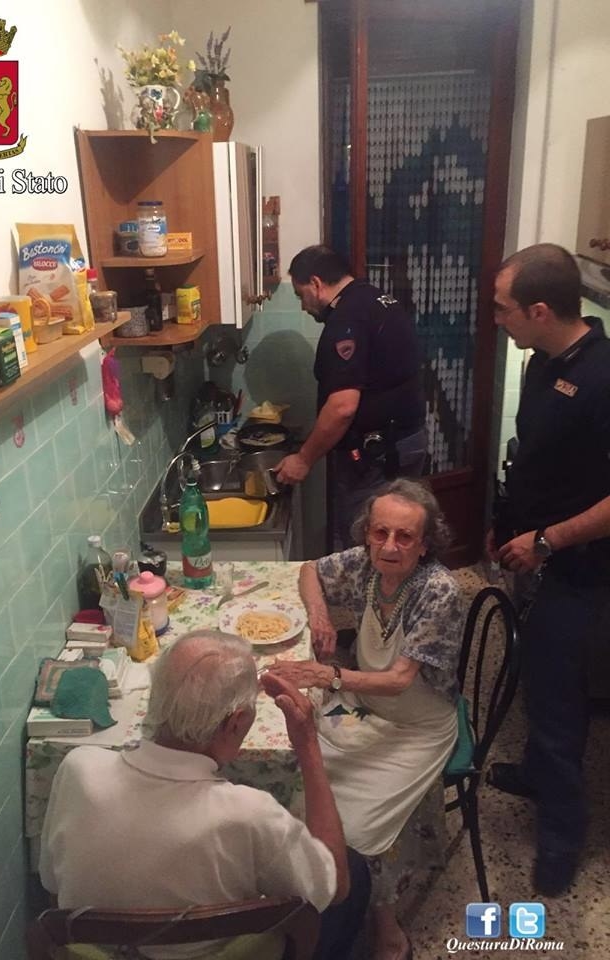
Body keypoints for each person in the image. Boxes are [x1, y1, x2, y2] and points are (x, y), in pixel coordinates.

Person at [39, 630, 370, 960]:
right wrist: (308, 746)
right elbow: (335, 886)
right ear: (236, 724)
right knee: (352, 868)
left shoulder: (78, 768)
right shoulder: (250, 813)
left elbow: (53, 885)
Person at [268, 478, 463, 960]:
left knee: (357, 828)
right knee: (296, 765)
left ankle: (387, 927)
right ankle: (304, 895)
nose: (389, 547)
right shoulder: (365, 565)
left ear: (424, 544)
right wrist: (320, 616)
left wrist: (328, 674)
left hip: (418, 726)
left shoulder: (437, 589)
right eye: (380, 533)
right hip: (367, 707)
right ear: (368, 532)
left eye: (405, 537)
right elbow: (310, 569)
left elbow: (399, 679)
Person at [486, 242, 610, 896]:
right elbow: (533, 456)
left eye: (503, 309)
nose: (496, 319)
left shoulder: (603, 379)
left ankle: (562, 839)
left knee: (561, 705)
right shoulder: (540, 363)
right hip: (531, 550)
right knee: (535, 675)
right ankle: (534, 772)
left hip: (582, 570)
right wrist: (506, 523)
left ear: (539, 309)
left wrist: (547, 541)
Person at [275, 245, 426, 548]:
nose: (303, 306)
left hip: (377, 457)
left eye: (300, 295)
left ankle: (361, 597)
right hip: (405, 442)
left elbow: (343, 407)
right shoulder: (373, 298)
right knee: (398, 540)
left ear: (316, 284)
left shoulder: (346, 320)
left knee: (364, 543)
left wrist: (303, 459)